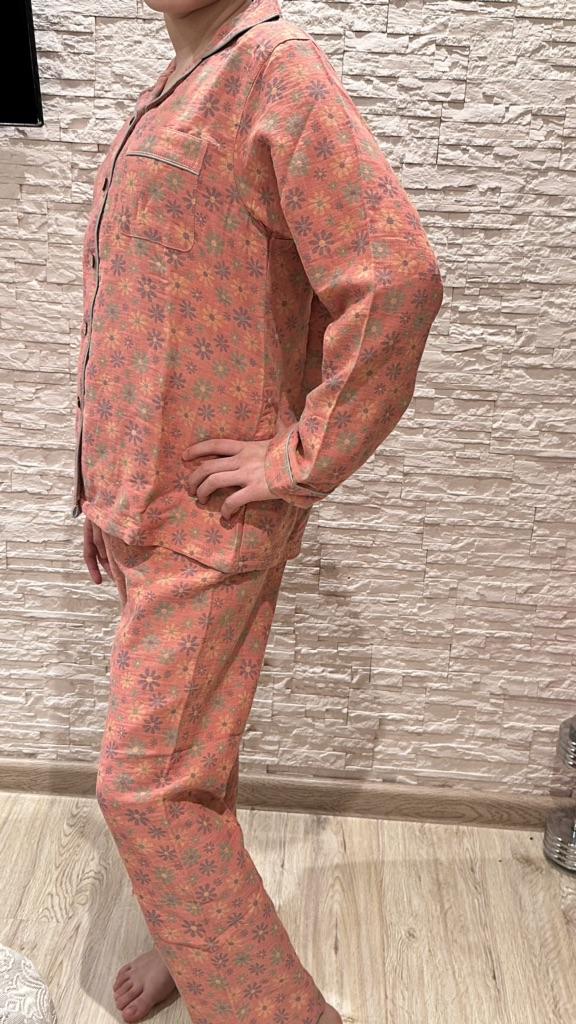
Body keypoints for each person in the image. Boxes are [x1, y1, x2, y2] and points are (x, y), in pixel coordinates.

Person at [74, 0, 444, 1021]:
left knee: (146, 788)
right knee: (190, 763)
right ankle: (190, 942)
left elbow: (398, 279)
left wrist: (300, 458)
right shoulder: (175, 81)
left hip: (207, 524)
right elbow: (141, 302)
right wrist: (102, 487)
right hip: (144, 507)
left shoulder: (276, 68)